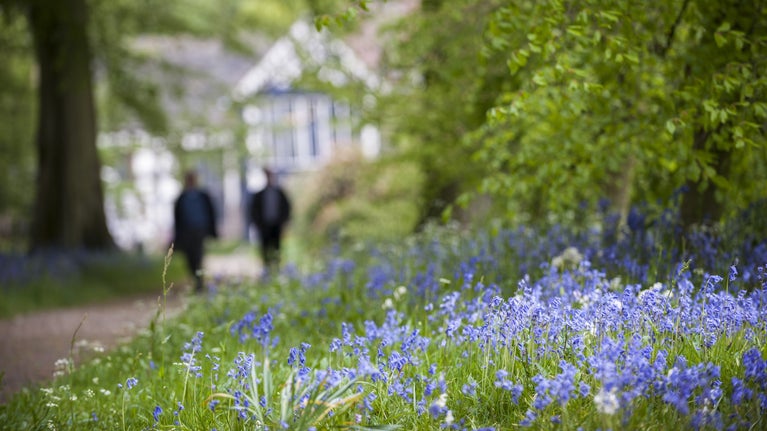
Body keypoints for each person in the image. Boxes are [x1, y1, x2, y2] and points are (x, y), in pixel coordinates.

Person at [173, 170, 217, 292]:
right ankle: (195, 279)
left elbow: (211, 214)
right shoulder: (181, 198)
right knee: (189, 259)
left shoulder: (203, 196)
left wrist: (212, 232)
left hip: (200, 231)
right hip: (186, 233)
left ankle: (199, 283)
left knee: (198, 256)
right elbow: (177, 220)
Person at [250, 167, 291, 275]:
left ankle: (277, 271)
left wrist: (284, 223)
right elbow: (253, 212)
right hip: (264, 227)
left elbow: (287, 208)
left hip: (276, 226)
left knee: (277, 250)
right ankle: (267, 272)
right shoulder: (259, 195)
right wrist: (258, 225)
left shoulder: (280, 193)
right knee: (265, 251)